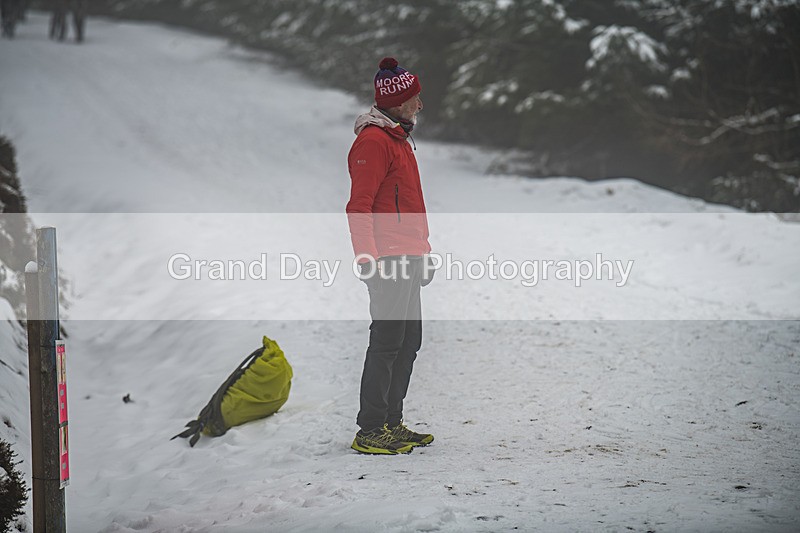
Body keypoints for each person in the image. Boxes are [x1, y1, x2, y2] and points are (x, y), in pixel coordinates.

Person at [346, 57, 435, 455]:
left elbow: (410, 206)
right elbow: (359, 205)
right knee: (386, 343)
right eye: (415, 98)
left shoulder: (399, 140)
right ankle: (369, 429)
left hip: (408, 257)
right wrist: (366, 257)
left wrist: (424, 252)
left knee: (408, 342)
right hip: (387, 260)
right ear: (398, 102)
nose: (420, 104)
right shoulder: (373, 142)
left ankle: (390, 422)